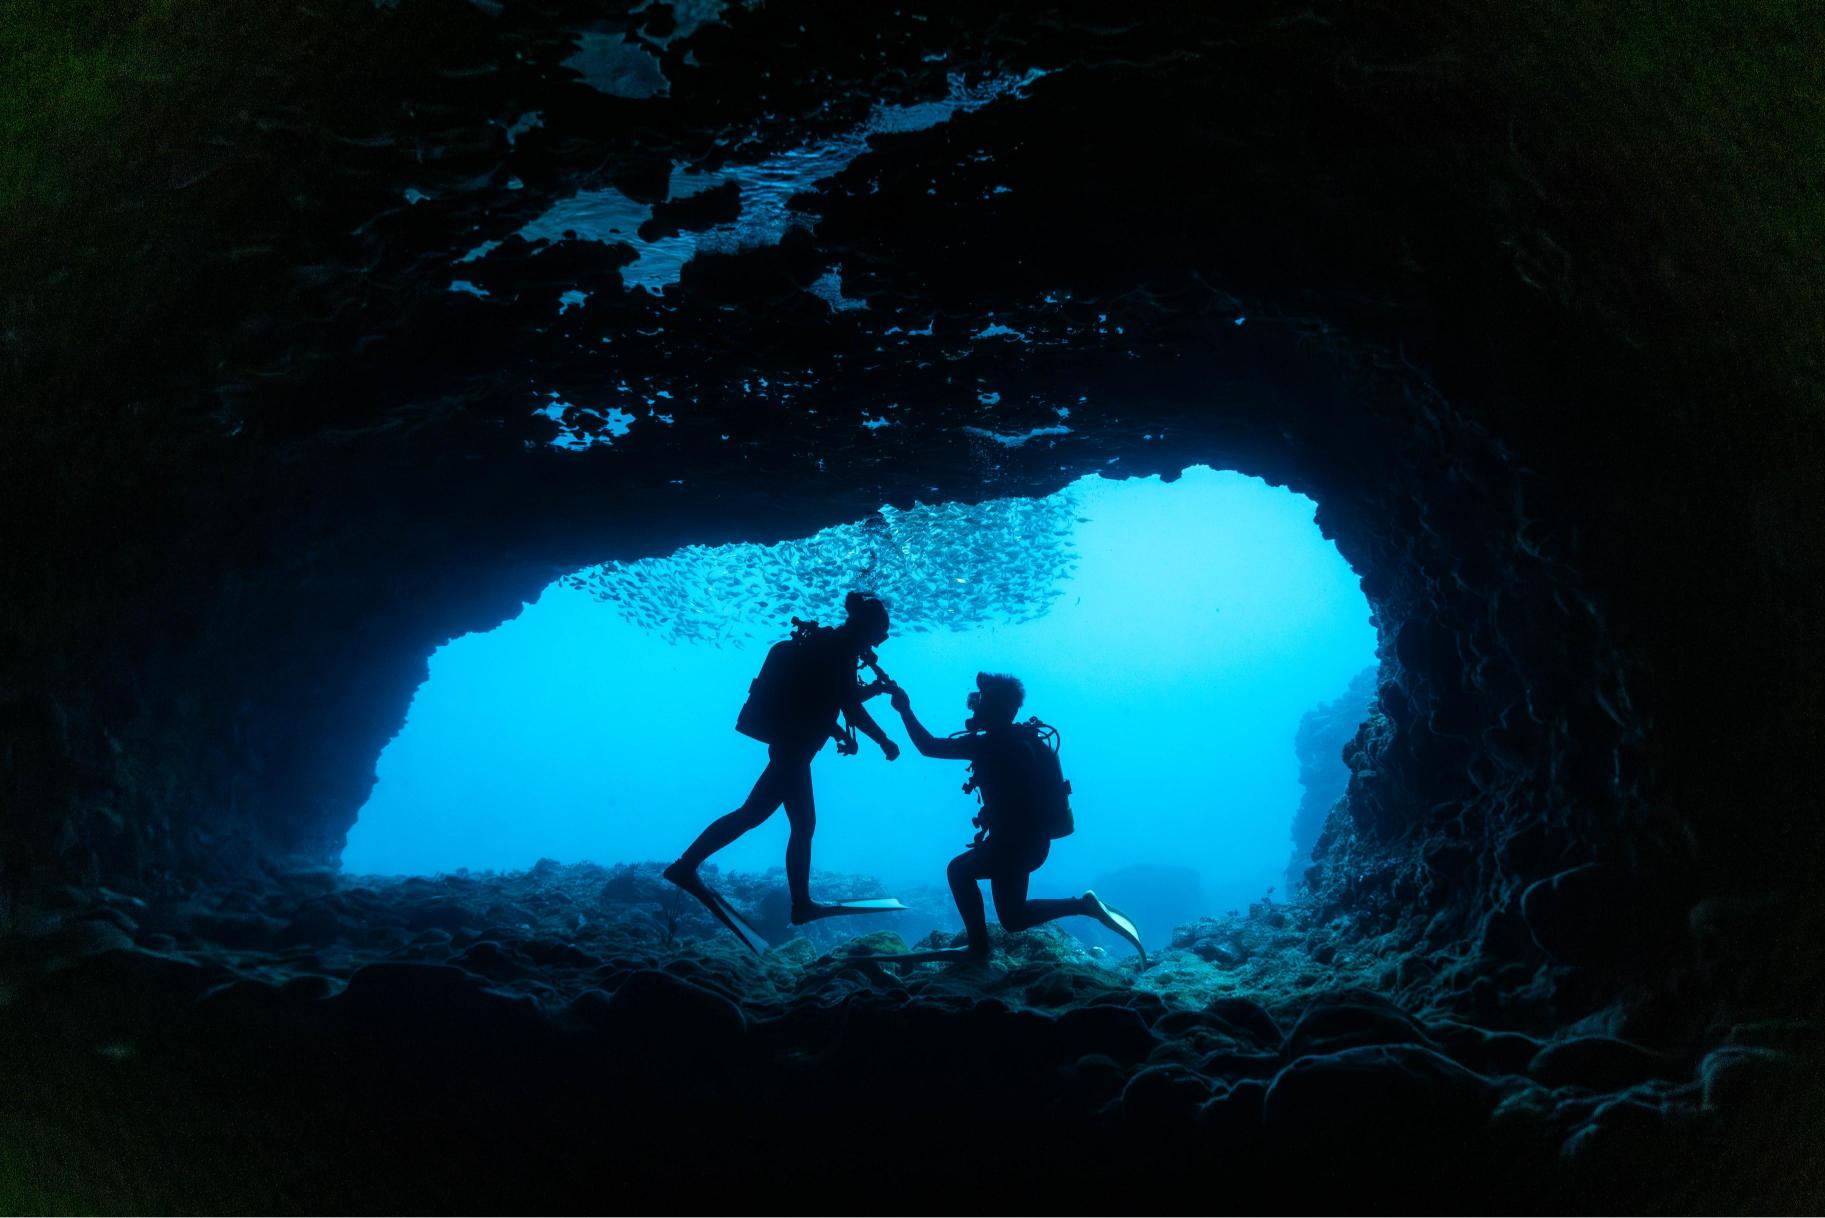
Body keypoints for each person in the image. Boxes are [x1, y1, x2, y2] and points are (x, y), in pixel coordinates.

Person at [665, 591, 900, 925]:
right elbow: (848, 705)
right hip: (794, 750)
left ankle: (798, 903)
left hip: (793, 746)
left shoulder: (834, 645)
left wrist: (846, 722)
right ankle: (687, 866)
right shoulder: (841, 649)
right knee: (757, 816)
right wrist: (884, 740)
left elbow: (828, 695)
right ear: (868, 626)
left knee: (794, 823)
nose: (884, 638)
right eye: (882, 630)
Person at [887, 672, 1144, 963]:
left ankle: (978, 949)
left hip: (1011, 846)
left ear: (994, 708)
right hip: (1031, 844)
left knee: (958, 871)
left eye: (980, 701)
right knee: (1013, 917)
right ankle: (1083, 905)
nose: (974, 707)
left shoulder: (991, 745)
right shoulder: (1027, 741)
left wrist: (904, 709)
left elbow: (929, 746)